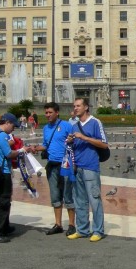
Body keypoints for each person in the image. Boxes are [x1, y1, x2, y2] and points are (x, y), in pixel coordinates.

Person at [67, 98, 109, 242]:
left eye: (78, 106)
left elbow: (104, 144)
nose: (75, 108)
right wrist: (70, 141)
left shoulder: (95, 122)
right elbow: (72, 146)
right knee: (79, 201)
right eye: (74, 106)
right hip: (77, 167)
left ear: (86, 107)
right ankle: (82, 229)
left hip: (91, 167)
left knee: (94, 199)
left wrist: (84, 137)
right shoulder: (74, 125)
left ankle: (98, 230)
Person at [29, 102, 75, 236]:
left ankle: (72, 224)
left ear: (57, 112)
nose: (47, 115)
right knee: (55, 195)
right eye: (46, 113)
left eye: (50, 112)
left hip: (65, 165)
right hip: (52, 165)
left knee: (68, 194)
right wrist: (37, 148)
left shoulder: (67, 126)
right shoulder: (46, 128)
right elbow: (45, 144)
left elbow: (74, 143)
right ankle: (58, 224)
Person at [0, 113, 26, 243]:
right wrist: (22, 150)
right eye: (13, 126)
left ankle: (4, 226)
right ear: (7, 122)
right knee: (2, 202)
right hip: (3, 172)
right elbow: (9, 154)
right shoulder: (2, 135)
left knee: (1, 200)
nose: (13, 129)